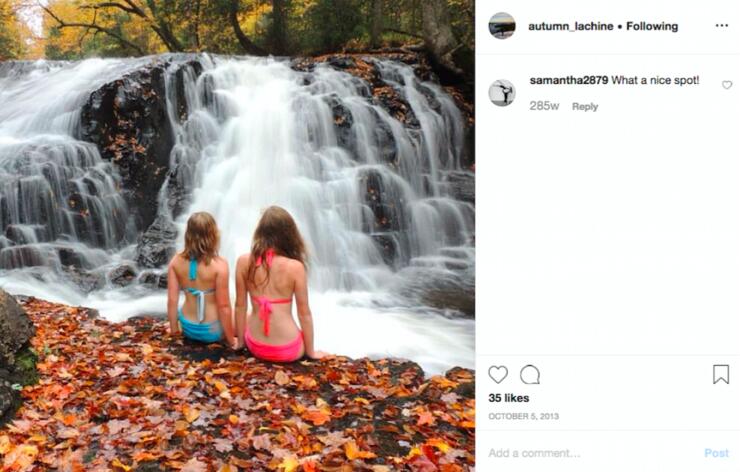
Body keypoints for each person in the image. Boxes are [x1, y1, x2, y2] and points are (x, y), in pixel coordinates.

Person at [234, 206, 326, 361]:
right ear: (290, 236)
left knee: (247, 311)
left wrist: (241, 343)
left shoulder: (244, 262)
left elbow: (240, 306)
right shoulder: (295, 267)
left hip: (254, 345)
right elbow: (304, 314)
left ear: (260, 232)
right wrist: (311, 352)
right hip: (288, 350)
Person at [167, 212, 236, 347]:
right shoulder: (220, 265)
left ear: (187, 235)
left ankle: (178, 327)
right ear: (213, 236)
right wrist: (231, 340)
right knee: (245, 314)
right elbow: (224, 307)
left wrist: (175, 331)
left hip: (188, 328)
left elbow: (172, 301)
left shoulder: (175, 261)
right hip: (213, 331)